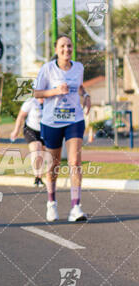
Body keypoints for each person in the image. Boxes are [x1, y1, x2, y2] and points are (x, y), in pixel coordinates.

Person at [34, 35, 91, 222]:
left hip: (75, 119)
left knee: (75, 161)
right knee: (54, 164)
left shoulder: (79, 67)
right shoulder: (47, 69)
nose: (66, 49)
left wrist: (87, 95)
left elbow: (80, 87)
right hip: (52, 121)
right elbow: (36, 92)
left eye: (69, 46)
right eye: (62, 46)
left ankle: (76, 207)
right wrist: (56, 91)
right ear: (56, 49)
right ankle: (51, 202)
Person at [10, 97, 45, 186]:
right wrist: (16, 130)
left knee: (42, 154)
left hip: (45, 130)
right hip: (31, 129)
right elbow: (21, 116)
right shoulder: (31, 102)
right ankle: (36, 177)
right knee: (36, 149)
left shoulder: (50, 101)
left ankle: (40, 177)